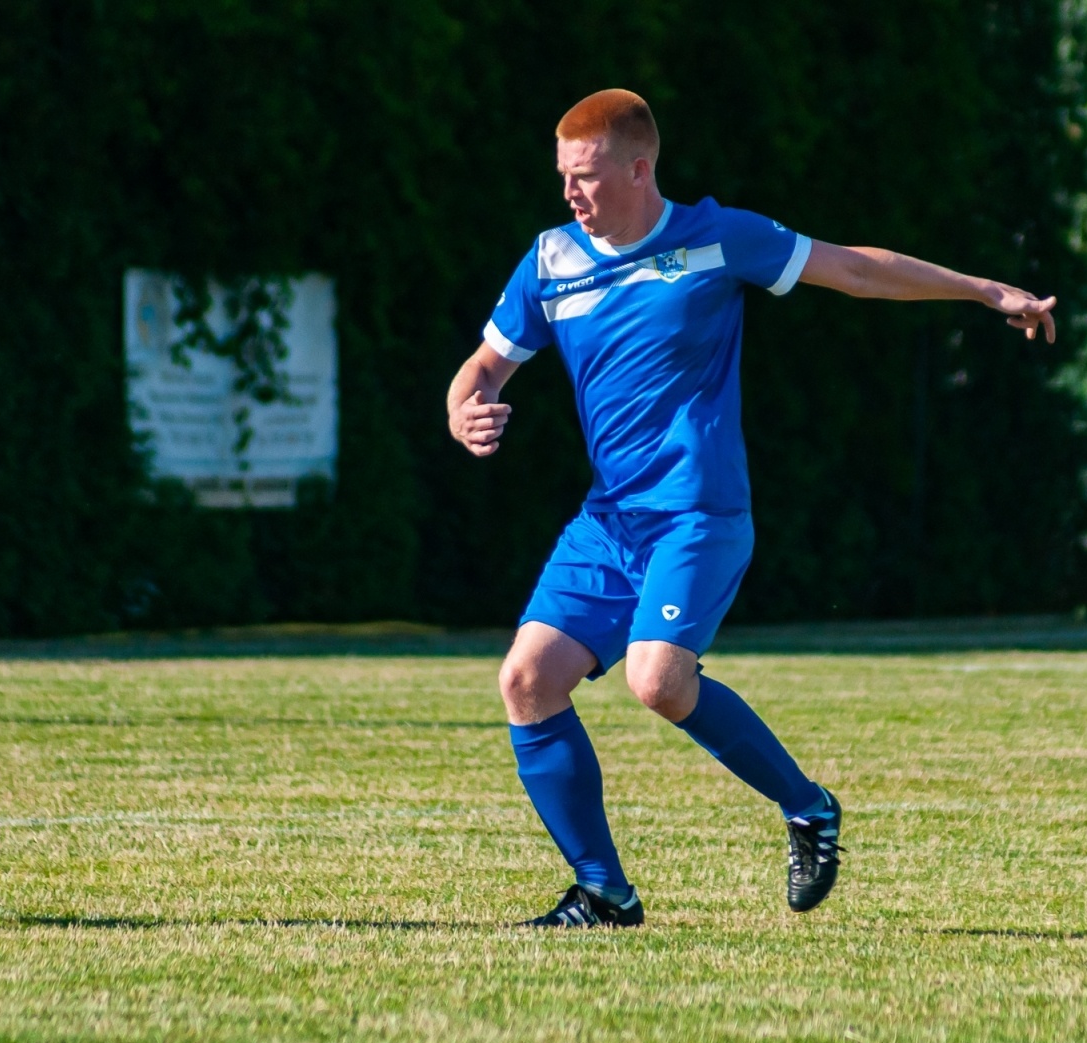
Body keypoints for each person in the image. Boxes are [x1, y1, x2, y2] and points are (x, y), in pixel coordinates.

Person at [447, 90, 1056, 927]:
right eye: (562, 177)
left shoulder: (717, 236)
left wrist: (984, 291)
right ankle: (604, 893)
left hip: (699, 513)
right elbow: (482, 367)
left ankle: (808, 807)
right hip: (611, 521)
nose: (570, 194)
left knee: (655, 680)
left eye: (584, 176)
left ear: (639, 167)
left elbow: (853, 268)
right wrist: (464, 407)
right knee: (526, 681)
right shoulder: (550, 261)